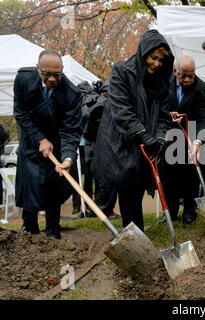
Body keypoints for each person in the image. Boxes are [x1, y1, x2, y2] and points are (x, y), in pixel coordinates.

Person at [91, 30, 174, 231]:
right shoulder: (122, 71)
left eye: (161, 60)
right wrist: (144, 135)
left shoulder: (162, 80)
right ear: (143, 51)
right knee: (127, 190)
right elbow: (121, 111)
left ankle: (137, 235)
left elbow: (164, 115)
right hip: (121, 143)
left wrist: (160, 137)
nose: (157, 64)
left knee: (137, 191)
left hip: (146, 145)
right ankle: (135, 236)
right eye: (154, 57)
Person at [13, 49, 82, 239]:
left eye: (57, 74)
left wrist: (68, 157)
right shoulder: (23, 80)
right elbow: (21, 113)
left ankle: (52, 229)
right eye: (47, 74)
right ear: (37, 69)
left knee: (54, 183)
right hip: (31, 142)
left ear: (62, 71)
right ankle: (30, 227)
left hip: (58, 143)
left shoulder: (72, 94)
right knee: (30, 184)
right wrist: (40, 139)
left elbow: (71, 130)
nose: (52, 79)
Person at [160, 56, 205, 225]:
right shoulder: (163, 83)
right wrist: (168, 116)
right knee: (168, 177)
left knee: (191, 177)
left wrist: (198, 142)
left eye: (191, 75)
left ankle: (190, 212)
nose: (188, 79)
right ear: (175, 71)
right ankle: (171, 212)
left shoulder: (202, 88)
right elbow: (158, 109)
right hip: (169, 138)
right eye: (184, 76)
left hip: (192, 139)